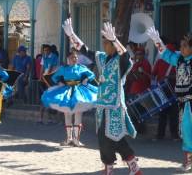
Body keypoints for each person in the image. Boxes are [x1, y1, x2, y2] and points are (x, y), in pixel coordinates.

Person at [63, 18, 142, 175]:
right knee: (104, 138)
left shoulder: (121, 61)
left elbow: (125, 56)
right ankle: (123, 167)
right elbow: (85, 50)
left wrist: (115, 40)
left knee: (113, 137)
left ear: (114, 45)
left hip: (114, 107)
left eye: (108, 43)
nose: (105, 45)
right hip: (101, 107)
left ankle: (129, 166)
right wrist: (72, 35)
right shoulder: (101, 58)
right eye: (104, 42)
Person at [147, 27, 192, 172]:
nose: (181, 48)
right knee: (186, 131)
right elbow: (166, 54)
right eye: (181, 46)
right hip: (183, 103)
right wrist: (157, 41)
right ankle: (188, 161)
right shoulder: (179, 60)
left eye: (184, 46)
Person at [41, 51, 97, 147]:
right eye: (72, 57)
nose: (74, 59)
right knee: (67, 114)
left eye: (75, 57)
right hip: (66, 92)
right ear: (68, 59)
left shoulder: (81, 68)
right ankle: (68, 139)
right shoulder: (63, 69)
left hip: (79, 92)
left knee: (78, 113)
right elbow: (54, 77)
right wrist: (61, 82)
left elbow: (91, 75)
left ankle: (76, 140)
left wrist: (85, 79)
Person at [152, 44, 179, 141]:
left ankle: (160, 135)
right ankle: (174, 135)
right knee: (173, 114)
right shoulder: (177, 62)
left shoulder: (159, 61)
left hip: (162, 90)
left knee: (162, 113)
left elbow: (153, 74)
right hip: (173, 91)